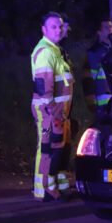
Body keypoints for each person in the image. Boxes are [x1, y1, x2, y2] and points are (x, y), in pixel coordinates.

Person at [30, 12, 74, 201]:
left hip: (59, 112)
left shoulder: (56, 50)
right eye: (54, 27)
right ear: (44, 30)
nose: (58, 30)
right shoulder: (46, 52)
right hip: (49, 112)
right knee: (47, 148)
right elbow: (43, 88)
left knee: (60, 149)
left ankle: (59, 186)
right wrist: (54, 112)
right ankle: (44, 190)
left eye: (60, 26)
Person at [82, 17, 112, 116]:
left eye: (111, 27)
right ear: (99, 32)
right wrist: (92, 105)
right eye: (106, 27)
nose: (110, 29)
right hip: (102, 105)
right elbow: (88, 81)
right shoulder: (93, 53)